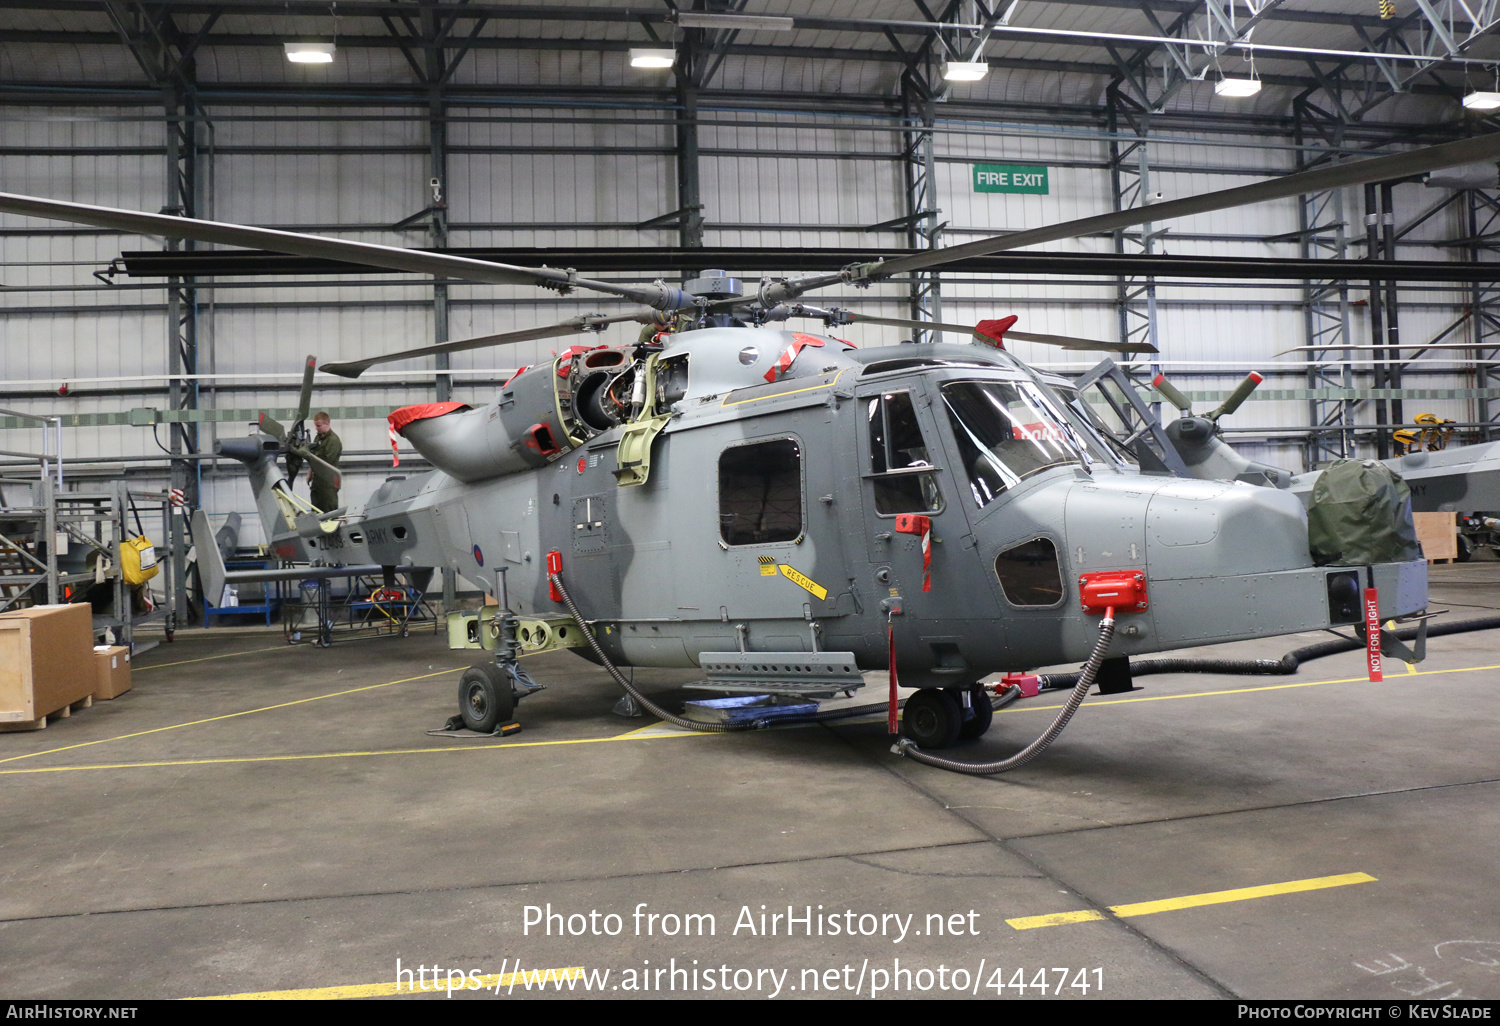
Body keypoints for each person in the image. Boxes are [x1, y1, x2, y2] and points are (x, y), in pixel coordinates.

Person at [307, 411, 342, 513]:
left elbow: (326, 460)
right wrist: (310, 473)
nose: (316, 428)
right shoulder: (318, 437)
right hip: (317, 481)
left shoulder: (333, 440)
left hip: (328, 482)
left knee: (329, 511)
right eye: (316, 426)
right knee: (316, 510)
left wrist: (306, 455)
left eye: (319, 426)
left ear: (327, 424)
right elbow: (313, 456)